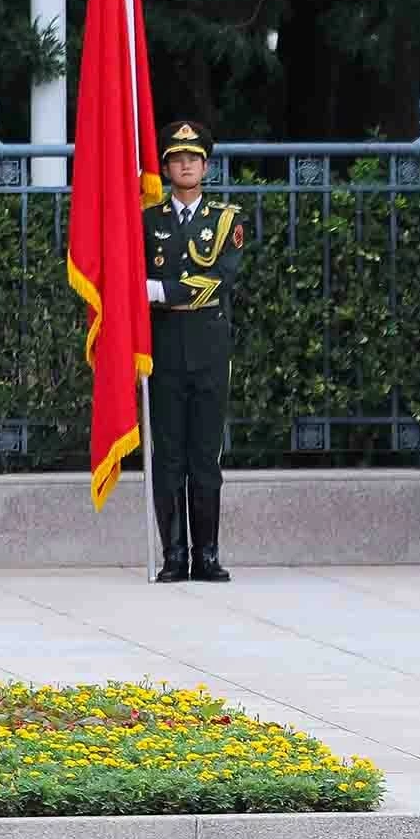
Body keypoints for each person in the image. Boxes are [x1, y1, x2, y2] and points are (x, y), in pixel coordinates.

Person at [144, 122, 246, 583]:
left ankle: (206, 553)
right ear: (165, 167)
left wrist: (157, 290)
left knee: (205, 457)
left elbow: (218, 282)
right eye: (176, 158)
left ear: (205, 165)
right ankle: (173, 555)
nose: (184, 165)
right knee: (168, 457)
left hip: (207, 348)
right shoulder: (149, 221)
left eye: (192, 158)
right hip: (163, 349)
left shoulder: (226, 220)